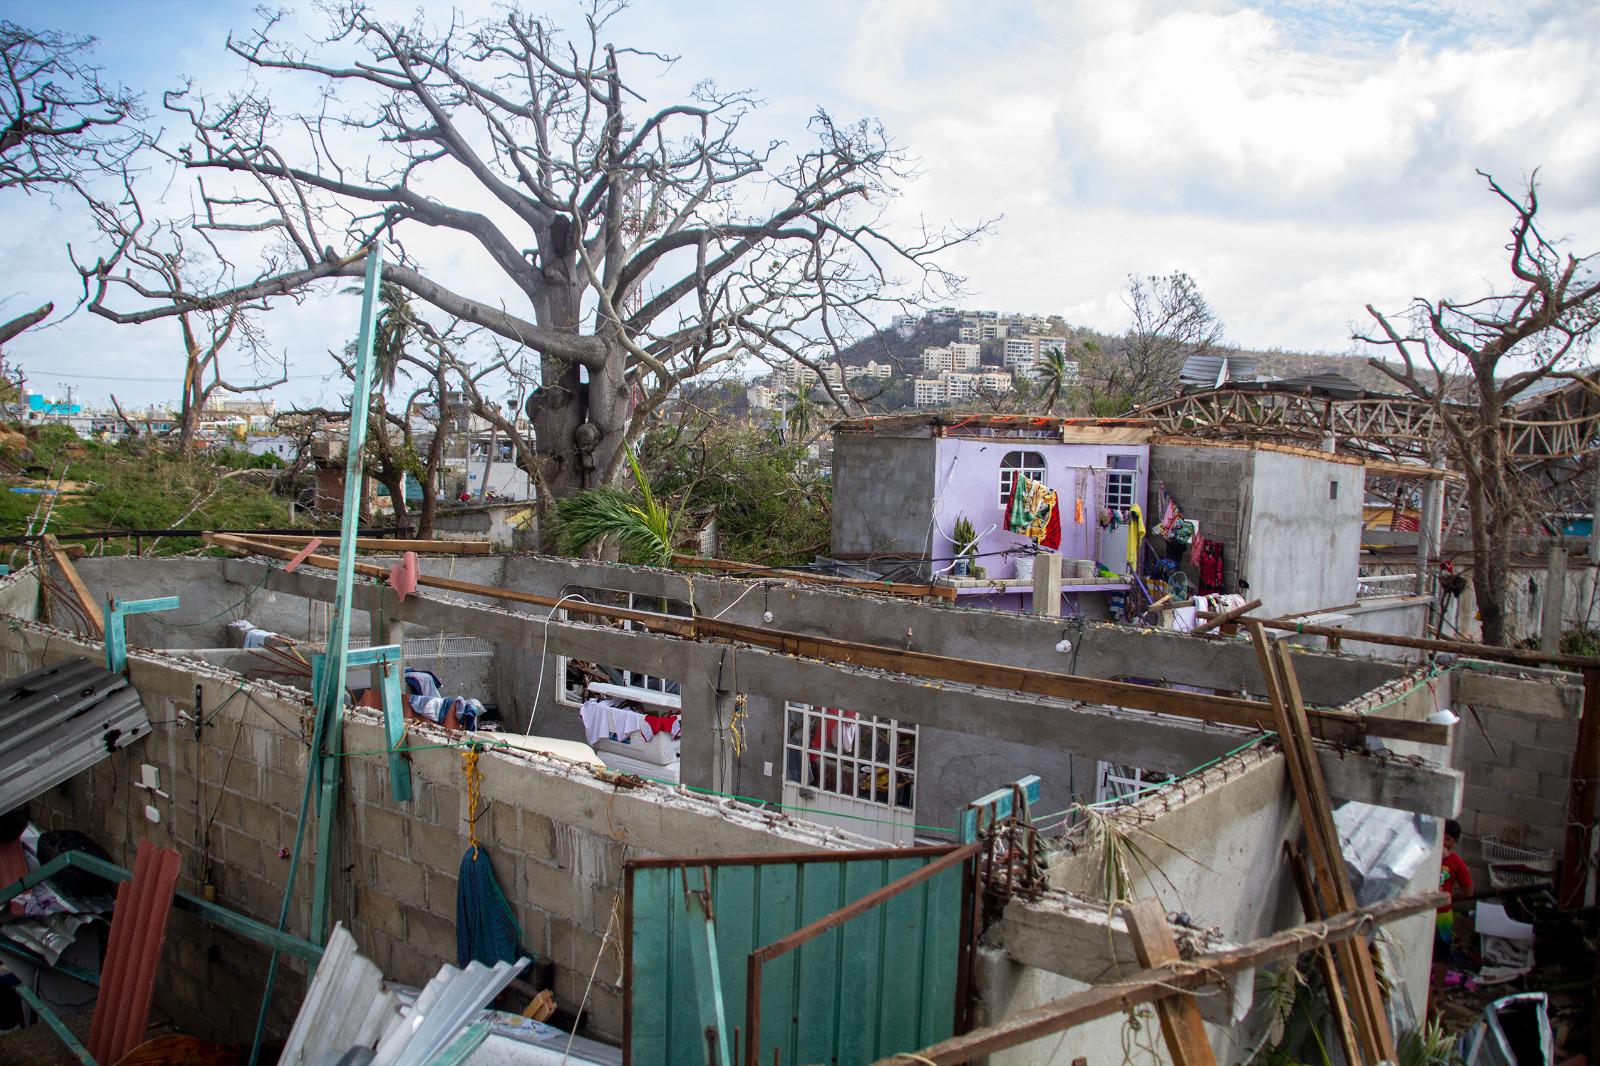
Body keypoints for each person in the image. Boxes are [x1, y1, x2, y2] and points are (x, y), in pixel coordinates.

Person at [1434, 818, 1473, 988]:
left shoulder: (1457, 863)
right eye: (1442, 837)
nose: (1444, 842)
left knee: (1441, 953)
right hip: (1423, 912)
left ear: (1455, 842)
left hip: (1442, 914)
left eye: (1449, 839)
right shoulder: (1428, 855)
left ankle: (1438, 990)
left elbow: (1468, 891)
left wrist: (1451, 897)